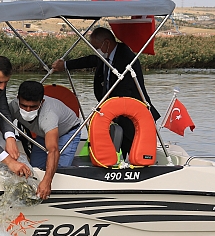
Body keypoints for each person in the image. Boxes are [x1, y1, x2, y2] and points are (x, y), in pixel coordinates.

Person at [51, 27, 160, 158]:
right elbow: (90, 60)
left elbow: (127, 88)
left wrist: (109, 109)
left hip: (131, 113)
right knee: (114, 142)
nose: (95, 50)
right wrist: (65, 65)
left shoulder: (125, 57)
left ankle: (131, 167)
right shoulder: (106, 55)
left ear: (107, 43)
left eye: (96, 47)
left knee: (129, 145)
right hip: (112, 111)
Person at [9, 81, 81, 199]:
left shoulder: (48, 116)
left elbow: (53, 150)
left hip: (67, 132)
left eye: (32, 107)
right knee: (35, 171)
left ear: (41, 102)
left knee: (59, 173)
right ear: (18, 99)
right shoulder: (13, 106)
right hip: (42, 134)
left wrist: (47, 181)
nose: (27, 110)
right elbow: (2, 126)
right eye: (23, 105)